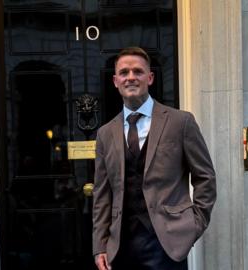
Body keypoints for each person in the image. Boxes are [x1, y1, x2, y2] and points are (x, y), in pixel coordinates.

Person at [92, 47, 216, 270]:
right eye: (124, 72)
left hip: (168, 243)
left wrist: (194, 225)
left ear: (150, 78)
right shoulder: (105, 133)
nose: (131, 77)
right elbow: (102, 194)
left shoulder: (181, 122)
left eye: (138, 71)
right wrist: (100, 245)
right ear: (115, 80)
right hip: (120, 246)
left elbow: (205, 177)